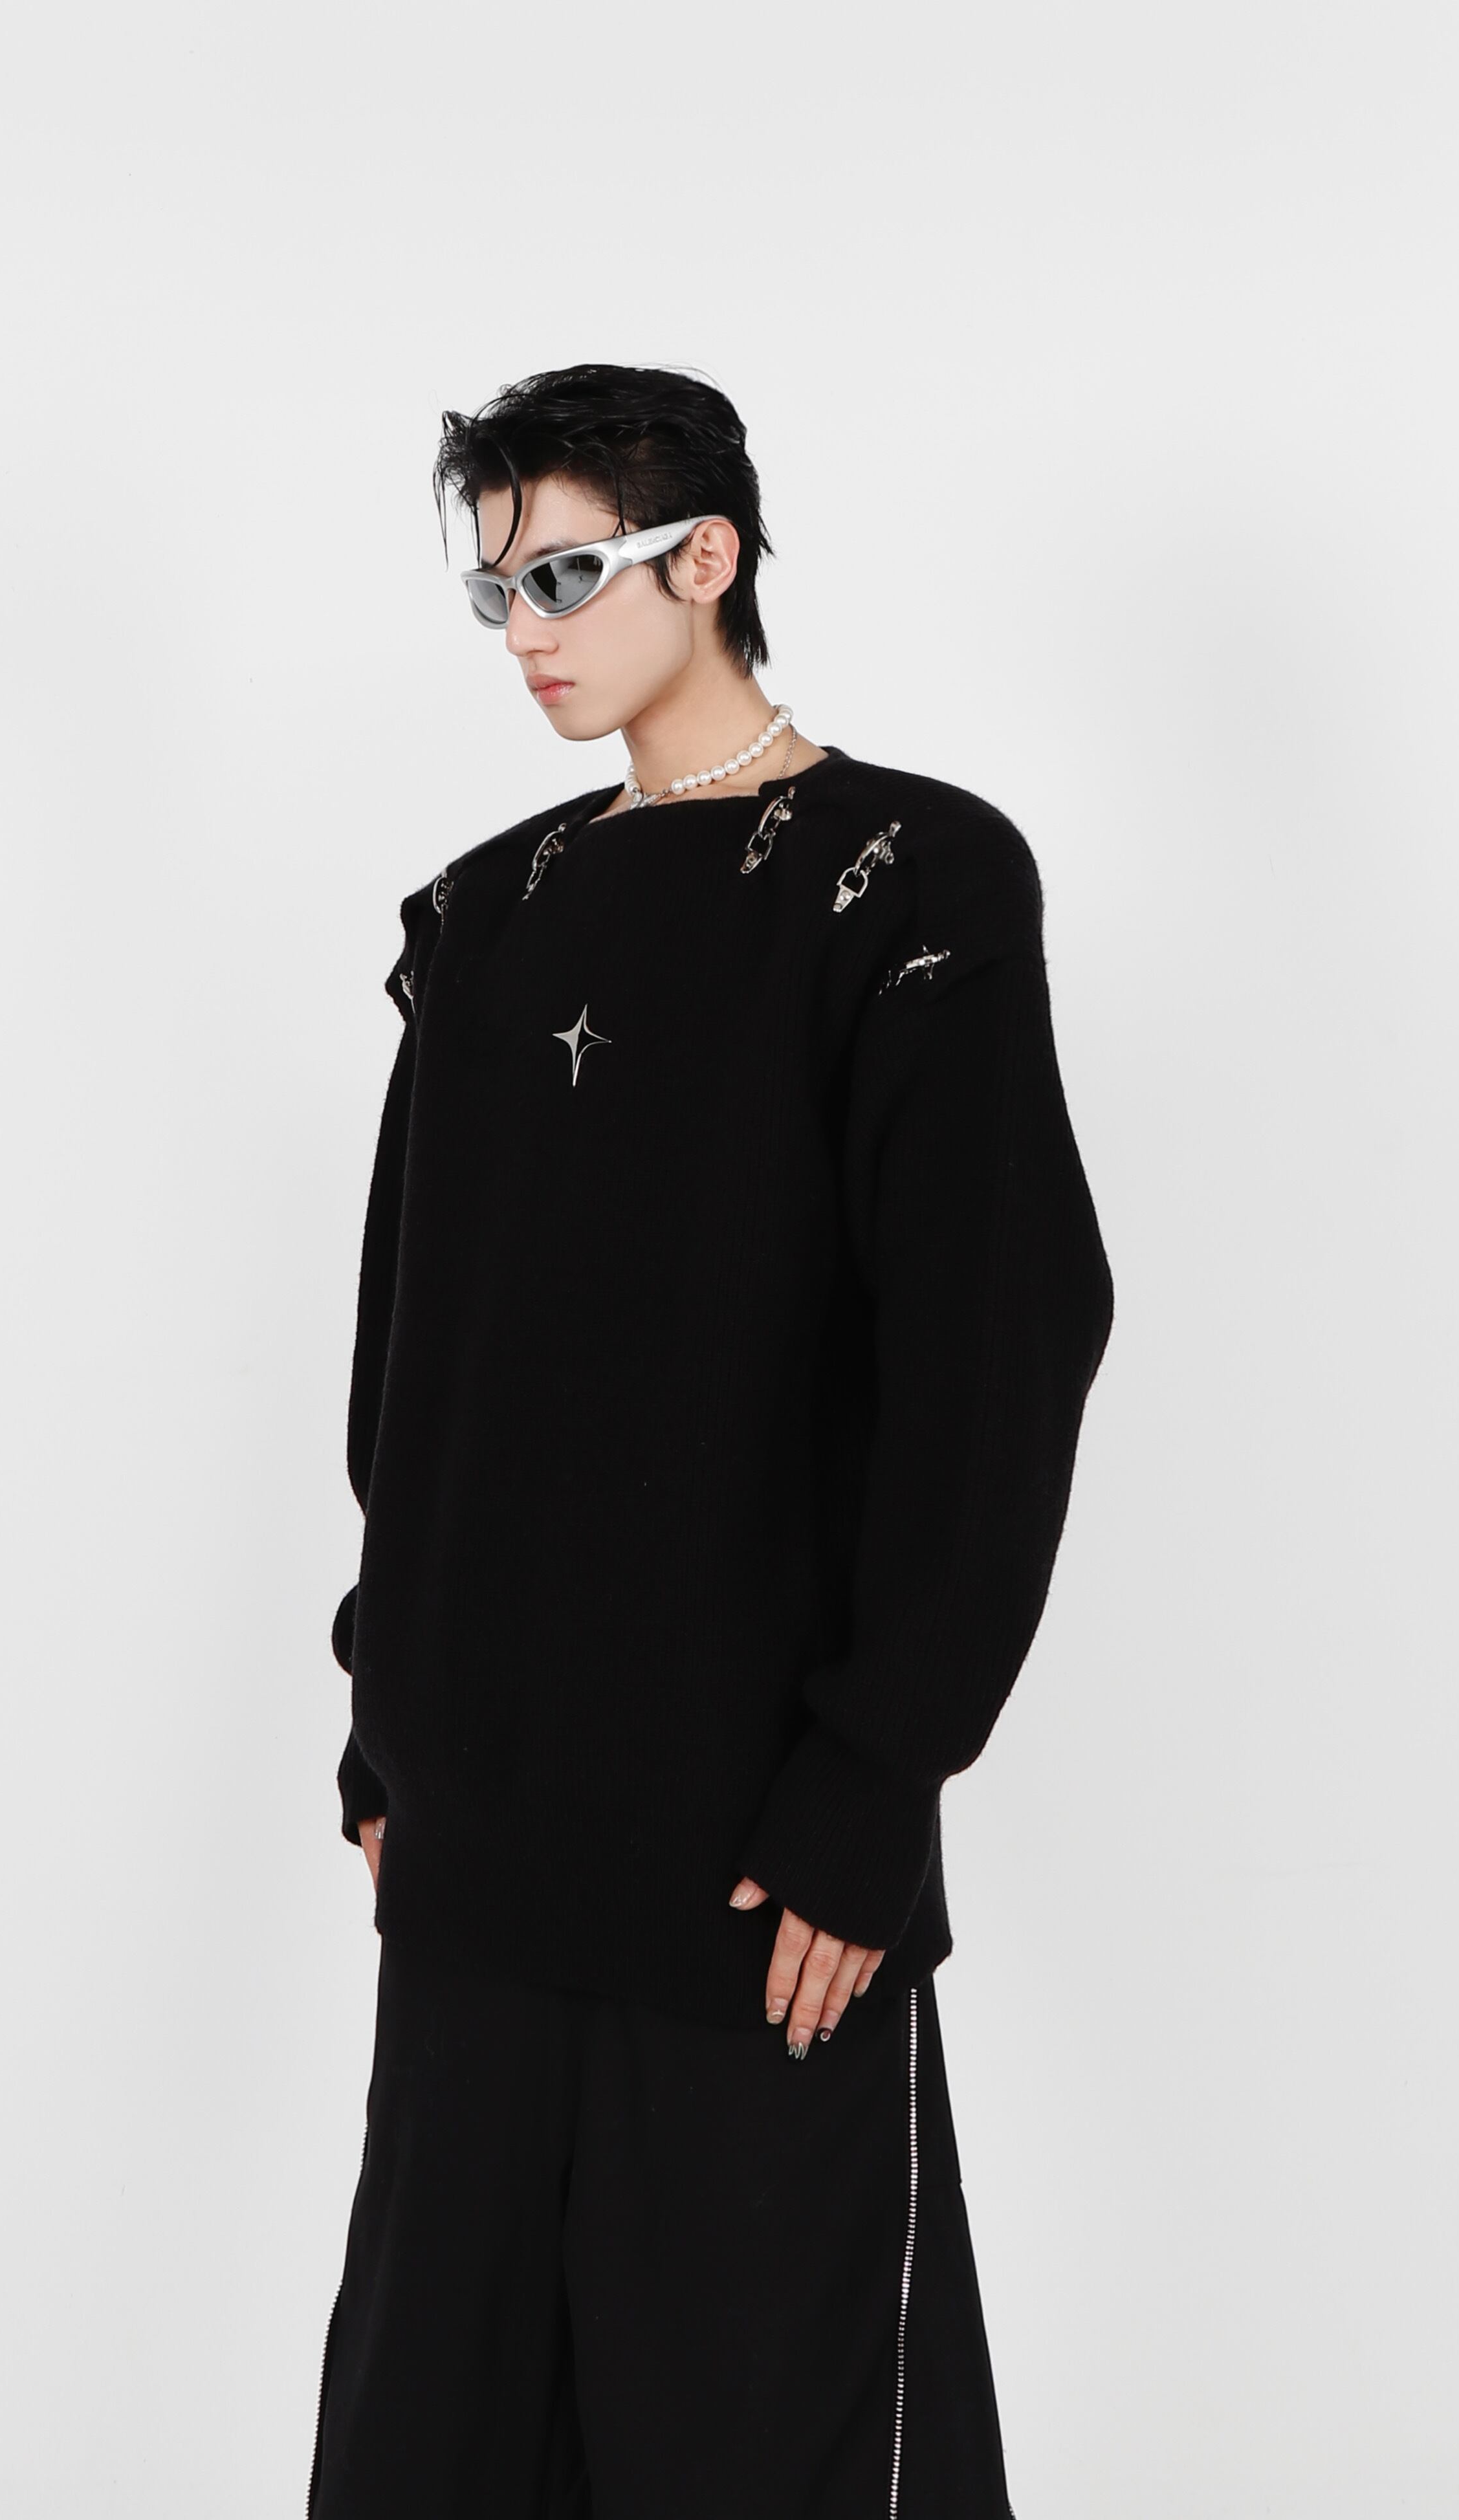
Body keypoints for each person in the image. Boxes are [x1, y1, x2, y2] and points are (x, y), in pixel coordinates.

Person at [306, 362, 1114, 2520]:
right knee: (442, 2434)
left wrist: (879, 1769)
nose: (527, 631)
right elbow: (415, 1349)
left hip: (756, 1851)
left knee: (764, 2430)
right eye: (494, 590)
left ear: (707, 559)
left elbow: (998, 1341)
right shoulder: (483, 918)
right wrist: (385, 1712)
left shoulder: (905, 876)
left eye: (564, 574)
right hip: (478, 1835)